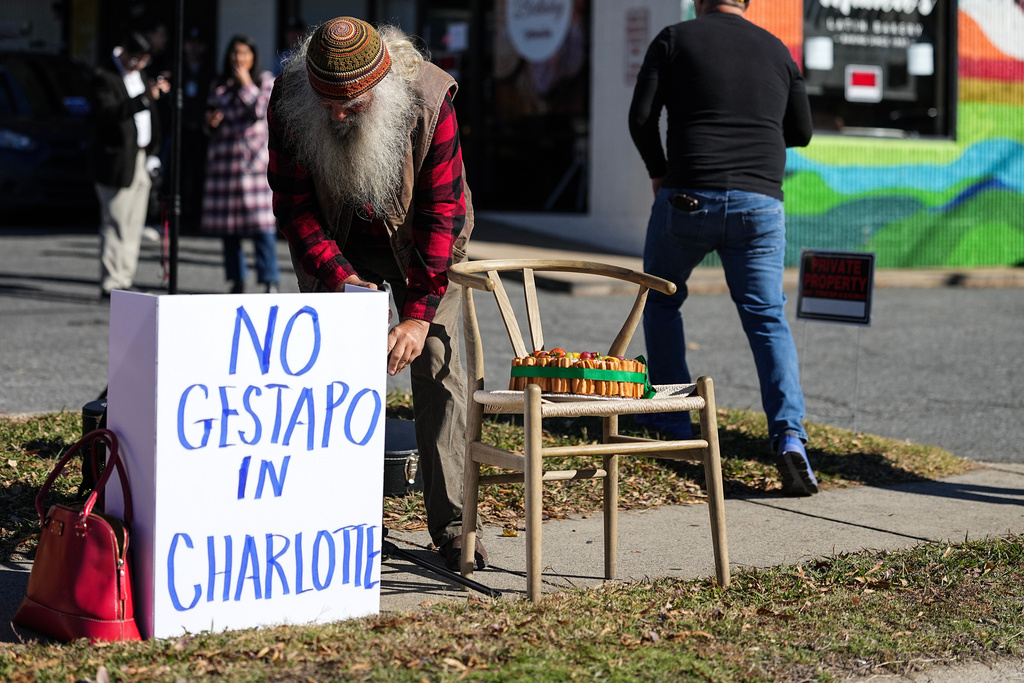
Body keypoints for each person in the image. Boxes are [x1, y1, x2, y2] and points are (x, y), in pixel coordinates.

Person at [267, 17, 482, 568]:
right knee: (337, 373)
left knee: (438, 365)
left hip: (421, 240)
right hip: (338, 241)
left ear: (381, 87)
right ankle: (346, 519)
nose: (336, 114)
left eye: (352, 105)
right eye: (327, 104)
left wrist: (415, 317)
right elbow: (293, 205)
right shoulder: (290, 97)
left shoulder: (429, 100)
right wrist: (340, 277)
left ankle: (454, 522)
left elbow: (440, 217)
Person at [628, 0, 817, 496]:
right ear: (748, 2)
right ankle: (791, 439)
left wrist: (658, 170)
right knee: (766, 317)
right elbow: (801, 131)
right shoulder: (778, 50)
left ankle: (674, 424)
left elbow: (641, 118)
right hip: (760, 204)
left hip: (688, 194)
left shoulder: (674, 38)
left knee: (662, 300)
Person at [90, 31, 169, 298]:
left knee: (135, 223)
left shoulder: (139, 75)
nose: (138, 65)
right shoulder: (104, 75)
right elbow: (107, 114)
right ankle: (111, 281)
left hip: (142, 155)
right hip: (117, 159)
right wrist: (144, 98)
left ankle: (125, 279)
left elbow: (150, 117)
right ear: (123, 51)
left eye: (144, 61)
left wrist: (154, 151)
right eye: (135, 59)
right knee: (116, 221)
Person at [200, 34, 280, 293]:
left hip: (254, 166)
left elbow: (260, 111)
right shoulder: (220, 85)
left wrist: (246, 82)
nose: (239, 59)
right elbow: (211, 121)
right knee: (229, 228)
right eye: (235, 53)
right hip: (225, 164)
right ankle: (236, 280)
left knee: (261, 227)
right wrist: (211, 123)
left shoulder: (266, 81)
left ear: (253, 56)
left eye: (245, 53)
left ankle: (269, 280)